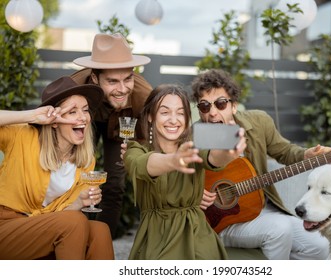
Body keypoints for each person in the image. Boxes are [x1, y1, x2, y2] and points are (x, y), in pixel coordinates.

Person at [191, 69, 331, 260]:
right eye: (205, 106)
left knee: (320, 245)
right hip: (222, 220)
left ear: (234, 106)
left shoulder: (258, 122)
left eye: (221, 104)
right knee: (279, 229)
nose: (213, 113)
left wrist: (307, 154)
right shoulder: (195, 135)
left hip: (263, 209)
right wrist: (192, 194)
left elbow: (285, 151)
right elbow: (177, 178)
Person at [123, 84, 246, 259]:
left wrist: (227, 152)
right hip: (157, 240)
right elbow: (142, 164)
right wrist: (173, 160)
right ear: (150, 116)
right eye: (165, 112)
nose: (174, 120)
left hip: (198, 238)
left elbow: (212, 157)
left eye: (180, 113)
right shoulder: (134, 149)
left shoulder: (194, 145)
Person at [0, 76, 114, 260]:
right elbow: (68, 223)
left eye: (85, 110)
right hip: (5, 226)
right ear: (53, 121)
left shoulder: (86, 161)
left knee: (100, 230)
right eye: (72, 112)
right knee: (75, 221)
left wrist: (79, 202)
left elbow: (60, 219)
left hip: (42, 228)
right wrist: (32, 115)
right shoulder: (21, 136)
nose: (83, 117)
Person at [72, 33, 153, 238]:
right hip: (84, 121)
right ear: (94, 78)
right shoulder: (74, 89)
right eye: (112, 81)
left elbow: (156, 137)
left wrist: (138, 150)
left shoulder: (144, 97)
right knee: (75, 178)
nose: (122, 88)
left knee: (115, 184)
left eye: (128, 79)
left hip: (120, 128)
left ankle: (102, 240)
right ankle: (74, 235)